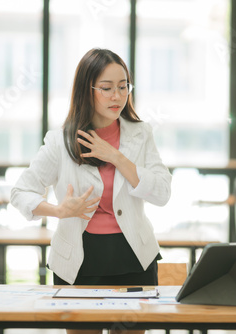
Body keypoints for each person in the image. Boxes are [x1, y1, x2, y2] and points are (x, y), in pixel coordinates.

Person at [11, 48, 172, 332]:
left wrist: (117, 157)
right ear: (87, 91)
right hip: (79, 261)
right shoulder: (61, 141)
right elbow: (21, 192)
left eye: (123, 87)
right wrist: (58, 210)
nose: (117, 96)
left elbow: (162, 192)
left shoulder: (140, 134)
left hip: (134, 257)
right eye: (107, 88)